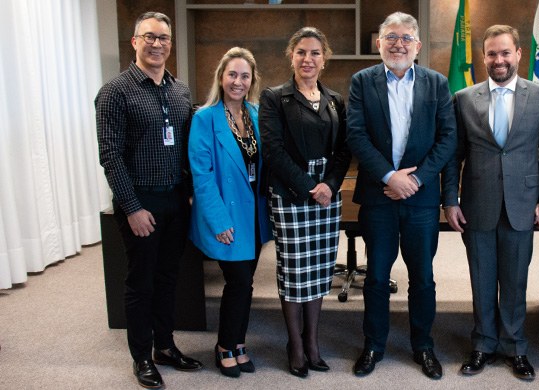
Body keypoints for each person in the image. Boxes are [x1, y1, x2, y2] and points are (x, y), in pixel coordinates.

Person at [346, 11, 457, 380]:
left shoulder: (437, 84)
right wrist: (391, 176)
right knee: (376, 276)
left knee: (422, 277)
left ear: (418, 46)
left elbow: (447, 139)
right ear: (379, 44)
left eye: (406, 38)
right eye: (390, 37)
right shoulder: (362, 82)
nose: (398, 43)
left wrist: (418, 179)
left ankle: (423, 346)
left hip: (422, 199)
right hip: (378, 196)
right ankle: (373, 344)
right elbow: (356, 135)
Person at [441, 24, 539, 381]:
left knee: (516, 279)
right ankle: (483, 344)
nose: (499, 60)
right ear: (484, 57)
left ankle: (516, 347)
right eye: (492, 53)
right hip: (477, 203)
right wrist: (450, 200)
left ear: (519, 54)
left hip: (524, 202)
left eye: (506, 52)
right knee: (482, 278)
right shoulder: (463, 98)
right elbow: (452, 156)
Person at [95, 11, 202, 389]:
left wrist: (189, 193)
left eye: (164, 39)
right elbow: (110, 156)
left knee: (169, 278)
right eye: (150, 37)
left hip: (175, 201)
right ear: (135, 42)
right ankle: (141, 357)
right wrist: (132, 207)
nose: (157, 44)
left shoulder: (180, 90)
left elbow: (189, 147)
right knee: (141, 282)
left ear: (170, 45)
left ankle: (165, 346)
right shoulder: (115, 92)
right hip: (139, 201)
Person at [259, 27, 352, 378]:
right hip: (291, 193)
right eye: (301, 52)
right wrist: (310, 186)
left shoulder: (333, 100)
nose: (307, 59)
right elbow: (273, 151)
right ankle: (294, 345)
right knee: (295, 271)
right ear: (291, 56)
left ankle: (312, 342)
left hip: (327, 194)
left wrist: (329, 184)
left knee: (319, 270)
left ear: (324, 59)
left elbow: (344, 149)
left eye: (315, 53)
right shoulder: (275, 98)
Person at [187, 47, 272, 378]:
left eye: (245, 76)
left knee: (246, 282)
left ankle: (238, 343)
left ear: (252, 81)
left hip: (254, 215)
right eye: (232, 74)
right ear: (221, 78)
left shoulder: (255, 114)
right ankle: (225, 345)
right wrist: (218, 221)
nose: (238, 81)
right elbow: (202, 176)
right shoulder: (204, 119)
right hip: (226, 214)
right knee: (237, 281)